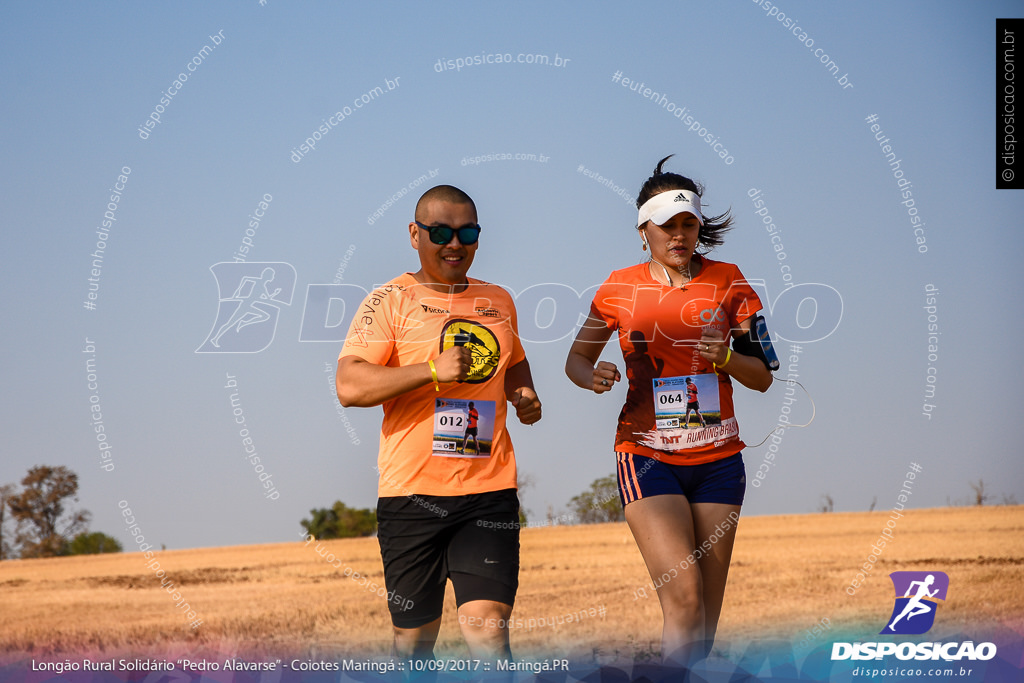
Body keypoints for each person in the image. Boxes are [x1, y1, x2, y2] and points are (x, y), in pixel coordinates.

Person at [565, 156, 774, 668]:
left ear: (699, 226)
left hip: (720, 460)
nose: (679, 236)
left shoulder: (731, 281)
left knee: (705, 614)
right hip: (647, 456)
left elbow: (765, 374)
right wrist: (590, 377)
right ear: (644, 230)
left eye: (688, 225)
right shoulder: (619, 286)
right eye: (667, 226)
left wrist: (725, 356)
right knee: (682, 598)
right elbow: (576, 358)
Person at [336, 185, 541, 662]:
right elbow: (350, 386)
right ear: (415, 234)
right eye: (441, 232)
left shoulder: (499, 300)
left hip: (487, 490)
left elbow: (514, 364)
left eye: (467, 232)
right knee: (413, 642)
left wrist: (524, 395)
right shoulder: (388, 299)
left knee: (489, 631)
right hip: (411, 495)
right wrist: (431, 371)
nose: (455, 243)